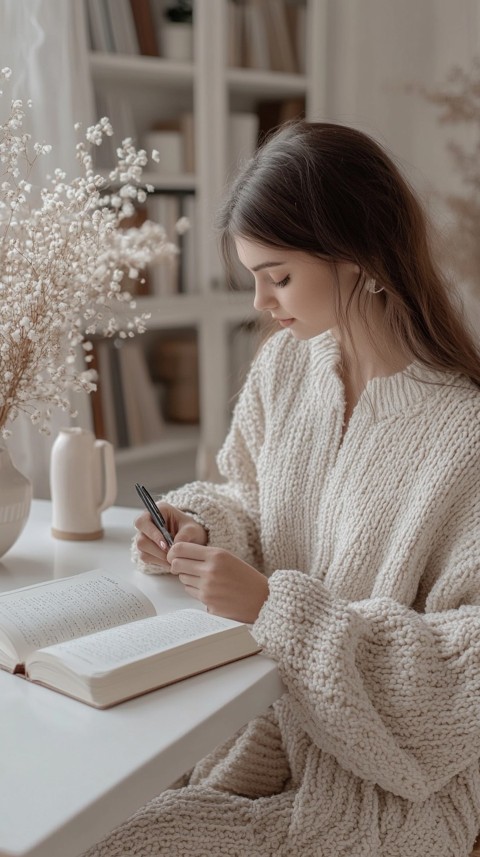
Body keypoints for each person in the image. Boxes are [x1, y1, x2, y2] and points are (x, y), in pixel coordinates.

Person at [85, 121, 480, 857]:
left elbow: (468, 671)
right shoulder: (285, 368)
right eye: (254, 278)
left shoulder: (465, 432)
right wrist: (201, 524)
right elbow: (249, 495)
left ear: (357, 254)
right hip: (259, 725)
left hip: (388, 795)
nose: (263, 303)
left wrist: (274, 606)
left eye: (279, 275)